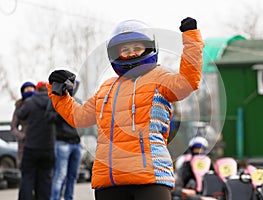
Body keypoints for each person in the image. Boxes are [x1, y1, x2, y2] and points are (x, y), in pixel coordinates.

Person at [47, 17, 204, 200]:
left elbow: (188, 82)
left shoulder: (159, 78)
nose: (131, 54)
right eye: (125, 50)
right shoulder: (107, 87)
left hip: (150, 179)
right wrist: (59, 94)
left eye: (137, 48)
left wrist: (191, 39)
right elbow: (79, 117)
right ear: (116, 54)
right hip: (109, 180)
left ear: (149, 48)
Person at [16, 81, 55, 200]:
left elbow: (20, 115)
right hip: (48, 148)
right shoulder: (52, 102)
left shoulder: (30, 102)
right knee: (45, 180)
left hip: (31, 147)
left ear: (36, 90)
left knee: (27, 178)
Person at [48, 81, 82, 200]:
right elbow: (49, 117)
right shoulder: (55, 100)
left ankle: (69, 198)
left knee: (73, 176)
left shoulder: (77, 101)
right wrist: (62, 110)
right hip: (62, 142)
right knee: (60, 176)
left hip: (77, 144)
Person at [10, 81, 36, 168]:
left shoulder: (40, 104)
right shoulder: (19, 106)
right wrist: (23, 136)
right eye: (27, 89)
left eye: (31, 89)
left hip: (39, 141)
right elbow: (13, 127)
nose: (29, 91)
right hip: (25, 143)